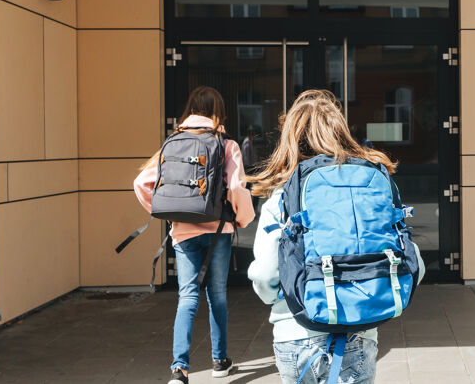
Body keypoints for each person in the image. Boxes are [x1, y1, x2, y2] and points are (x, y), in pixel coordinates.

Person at [247, 90, 424, 384]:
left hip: (295, 333)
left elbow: (265, 276)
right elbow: (412, 262)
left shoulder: (282, 198)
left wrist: (279, 299)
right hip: (358, 334)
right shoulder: (371, 185)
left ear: (290, 137)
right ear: (342, 133)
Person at [133, 86, 256, 384]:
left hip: (183, 230)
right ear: (219, 111)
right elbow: (237, 188)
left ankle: (180, 369)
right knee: (217, 296)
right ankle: (219, 361)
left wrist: (165, 210)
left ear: (191, 108)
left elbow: (141, 182)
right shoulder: (226, 144)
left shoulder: (173, 141)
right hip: (218, 230)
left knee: (186, 296)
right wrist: (242, 219)